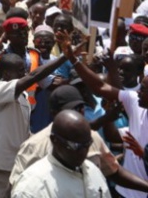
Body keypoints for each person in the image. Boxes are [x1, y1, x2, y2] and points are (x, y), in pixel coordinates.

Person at [0, 34, 75, 198]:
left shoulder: (24, 99)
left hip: (13, 169)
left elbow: (24, 135)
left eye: (26, 69)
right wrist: (65, 57)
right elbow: (34, 77)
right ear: (6, 74)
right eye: (21, 71)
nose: (26, 73)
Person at [10, 85, 148, 194]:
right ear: (54, 113)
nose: (79, 112)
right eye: (72, 108)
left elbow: (114, 171)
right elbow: (19, 188)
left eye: (81, 107)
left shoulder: (92, 136)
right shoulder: (34, 146)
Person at [60, 31, 148, 198]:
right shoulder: (134, 102)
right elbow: (100, 87)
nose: (137, 93)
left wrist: (144, 154)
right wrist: (73, 59)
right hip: (123, 192)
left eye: (143, 90)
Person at [11, 110, 111, 198]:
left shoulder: (94, 172)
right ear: (54, 140)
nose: (83, 152)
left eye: (88, 144)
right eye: (76, 146)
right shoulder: (32, 187)